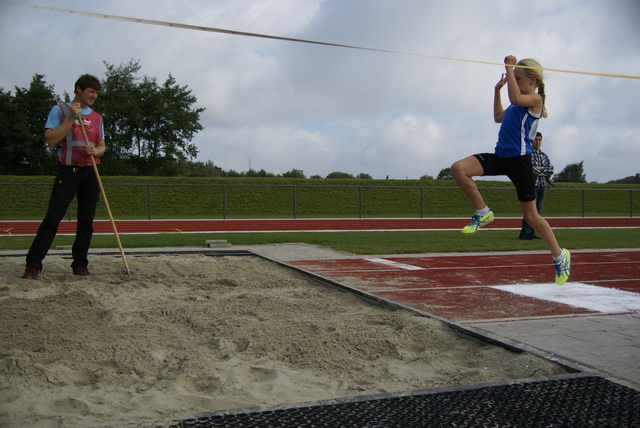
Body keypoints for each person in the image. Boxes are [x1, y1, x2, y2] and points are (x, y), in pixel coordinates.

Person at [450, 56, 570, 285]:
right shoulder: (515, 105)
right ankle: (483, 212)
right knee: (459, 169)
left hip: (519, 162)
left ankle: (559, 256)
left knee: (531, 216)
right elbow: (497, 117)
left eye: (518, 78)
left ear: (532, 80)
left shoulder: (535, 100)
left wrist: (510, 67)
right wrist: (497, 90)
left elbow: (516, 96)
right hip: (501, 157)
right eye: (512, 78)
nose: (513, 81)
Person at [22, 74, 105, 280]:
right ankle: (33, 265)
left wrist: (95, 150)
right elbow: (50, 140)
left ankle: (80, 265)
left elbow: (102, 145)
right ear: (79, 89)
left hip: (90, 173)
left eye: (96, 92)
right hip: (68, 172)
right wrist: (70, 119)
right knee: (53, 218)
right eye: (91, 92)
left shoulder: (97, 117)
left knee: (86, 221)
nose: (94, 95)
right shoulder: (59, 110)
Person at [519, 132, 554, 240]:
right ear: (532, 141)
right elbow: (530, 169)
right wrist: (542, 172)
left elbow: (550, 169)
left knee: (537, 211)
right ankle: (525, 233)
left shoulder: (544, 156)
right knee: (530, 211)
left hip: (542, 185)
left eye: (539, 140)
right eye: (536, 140)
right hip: (532, 185)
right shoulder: (528, 154)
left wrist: (541, 170)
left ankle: (532, 232)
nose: (538, 142)